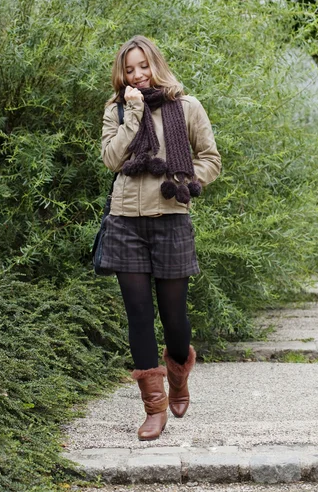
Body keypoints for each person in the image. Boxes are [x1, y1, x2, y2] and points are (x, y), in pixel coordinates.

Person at [100, 35, 221, 441]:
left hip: (171, 219)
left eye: (143, 66)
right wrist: (132, 117)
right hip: (126, 221)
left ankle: (178, 375)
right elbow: (112, 161)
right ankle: (154, 408)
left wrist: (188, 183)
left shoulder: (187, 107)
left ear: (156, 64)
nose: (137, 75)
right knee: (138, 315)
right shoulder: (116, 109)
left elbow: (210, 158)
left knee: (174, 319)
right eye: (129, 70)